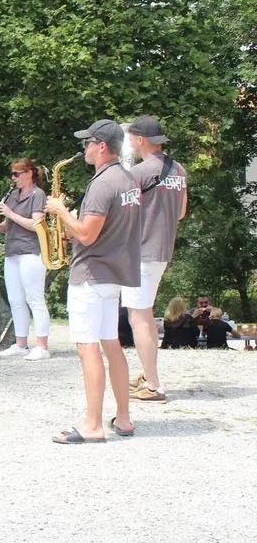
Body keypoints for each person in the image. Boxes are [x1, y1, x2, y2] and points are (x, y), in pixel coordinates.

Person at [45, 119, 140, 443]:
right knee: (111, 344)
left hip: (91, 275)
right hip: (112, 273)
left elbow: (87, 234)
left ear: (101, 146)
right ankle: (123, 419)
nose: (84, 147)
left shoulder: (102, 183)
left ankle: (93, 426)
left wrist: (60, 211)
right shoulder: (127, 179)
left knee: (88, 349)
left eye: (88, 142)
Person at [121, 115, 188, 403]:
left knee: (138, 318)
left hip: (140, 250)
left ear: (140, 140)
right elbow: (181, 212)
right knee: (145, 314)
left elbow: (121, 215)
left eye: (132, 139)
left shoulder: (138, 172)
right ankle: (148, 375)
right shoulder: (178, 169)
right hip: (161, 250)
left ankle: (154, 386)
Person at [0, 158, 52, 360]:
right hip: (12, 252)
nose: (13, 178)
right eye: (12, 174)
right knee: (16, 300)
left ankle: (42, 347)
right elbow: (7, 227)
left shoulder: (37, 194)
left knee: (35, 299)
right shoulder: (13, 195)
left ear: (29, 173)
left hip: (31, 252)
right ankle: (21, 344)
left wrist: (10, 213)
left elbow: (35, 224)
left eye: (16, 174)